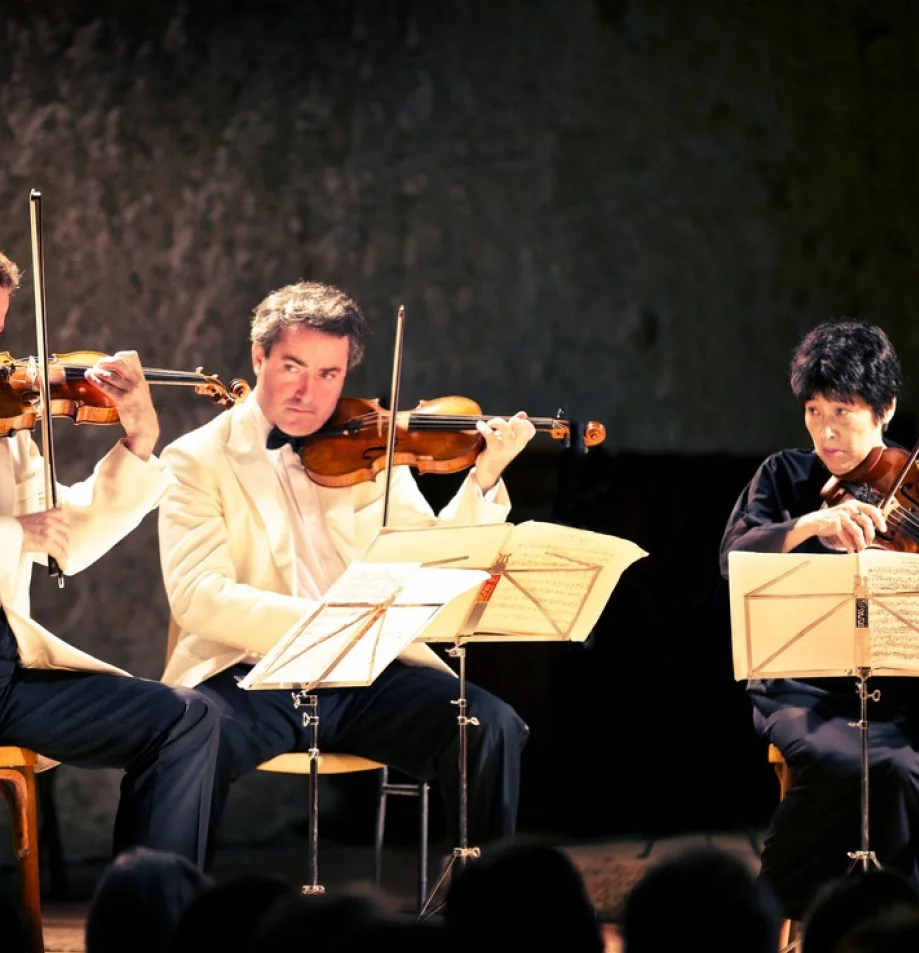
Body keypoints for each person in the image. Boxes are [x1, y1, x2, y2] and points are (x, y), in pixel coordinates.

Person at [155, 280, 534, 848]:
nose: (309, 392)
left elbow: (429, 556)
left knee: (487, 725)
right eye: (292, 367)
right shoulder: (194, 459)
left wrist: (483, 476)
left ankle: (481, 917)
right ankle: (166, 915)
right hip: (249, 673)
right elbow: (198, 596)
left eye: (329, 375)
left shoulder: (371, 445)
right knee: (184, 733)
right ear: (258, 358)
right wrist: (325, 626)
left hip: (367, 676)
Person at [718, 319, 919, 920]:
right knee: (841, 760)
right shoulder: (784, 477)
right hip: (803, 688)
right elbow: (733, 556)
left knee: (894, 769)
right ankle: (796, 915)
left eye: (842, 411)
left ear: (885, 409)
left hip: (897, 689)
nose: (825, 430)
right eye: (814, 411)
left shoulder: (916, 496)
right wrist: (810, 526)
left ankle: (894, 930)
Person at [0, 253, 220, 867]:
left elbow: (66, 538)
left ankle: (151, 922)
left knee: (186, 717)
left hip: (4, 669)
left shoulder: (9, 431)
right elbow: (24, 532)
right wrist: (13, 531)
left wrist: (139, 440)